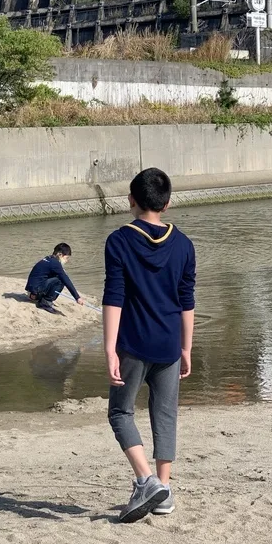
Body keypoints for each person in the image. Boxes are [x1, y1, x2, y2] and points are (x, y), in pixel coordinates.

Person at [102, 168, 196, 524]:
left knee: (120, 413)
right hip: (170, 343)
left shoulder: (119, 241)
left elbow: (115, 297)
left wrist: (110, 348)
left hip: (133, 344)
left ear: (131, 200)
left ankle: (146, 480)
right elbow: (187, 301)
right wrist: (187, 347)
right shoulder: (184, 244)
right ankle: (164, 492)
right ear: (167, 204)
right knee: (165, 414)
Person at [25, 243, 85, 314]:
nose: (67, 260)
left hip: (32, 292)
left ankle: (41, 299)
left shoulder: (48, 258)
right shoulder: (55, 263)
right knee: (61, 280)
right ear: (60, 255)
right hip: (35, 294)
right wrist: (77, 297)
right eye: (66, 258)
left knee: (59, 275)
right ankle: (46, 303)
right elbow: (66, 281)